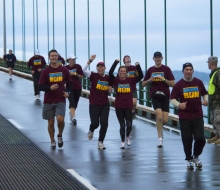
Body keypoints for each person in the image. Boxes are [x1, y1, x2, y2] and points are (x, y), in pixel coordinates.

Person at [170, 62, 208, 169]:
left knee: (200, 138)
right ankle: (189, 159)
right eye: (186, 69)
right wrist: (179, 105)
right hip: (185, 116)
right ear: (183, 71)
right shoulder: (178, 85)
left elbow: (205, 93)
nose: (188, 71)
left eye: (190, 69)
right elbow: (172, 99)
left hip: (197, 115)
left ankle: (196, 155)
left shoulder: (199, 82)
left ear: (193, 71)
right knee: (187, 139)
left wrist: (205, 100)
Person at [39, 49, 72, 149]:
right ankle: (52, 140)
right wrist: (50, 88)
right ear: (49, 58)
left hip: (60, 99)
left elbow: (70, 83)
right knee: (50, 122)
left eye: (55, 56)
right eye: (52, 56)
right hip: (48, 100)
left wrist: (68, 92)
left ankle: (60, 135)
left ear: (58, 57)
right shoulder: (45, 71)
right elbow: (40, 86)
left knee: (60, 119)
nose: (54, 57)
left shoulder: (64, 70)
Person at [142, 51, 175, 148]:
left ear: (162, 58)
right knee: (159, 117)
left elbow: (172, 84)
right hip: (155, 94)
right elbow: (143, 84)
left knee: (164, 120)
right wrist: (149, 80)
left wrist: (163, 79)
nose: (157, 59)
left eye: (159, 57)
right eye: (156, 57)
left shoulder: (166, 69)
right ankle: (160, 138)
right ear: (153, 59)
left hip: (165, 95)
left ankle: (159, 130)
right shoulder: (150, 70)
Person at [109, 59, 143, 149]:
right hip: (119, 106)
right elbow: (110, 72)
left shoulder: (131, 81)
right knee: (122, 125)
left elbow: (141, 76)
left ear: (126, 72)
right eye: (121, 71)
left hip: (128, 105)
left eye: (124, 71)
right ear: (119, 72)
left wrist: (138, 66)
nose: (122, 72)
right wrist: (116, 62)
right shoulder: (116, 80)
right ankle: (122, 141)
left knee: (129, 124)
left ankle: (128, 136)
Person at [82, 54, 112, 149]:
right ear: (96, 68)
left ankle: (100, 142)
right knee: (95, 123)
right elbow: (83, 70)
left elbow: (112, 88)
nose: (100, 69)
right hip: (94, 103)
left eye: (102, 67)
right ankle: (91, 129)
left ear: (104, 68)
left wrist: (111, 89)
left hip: (104, 104)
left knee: (104, 123)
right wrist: (90, 60)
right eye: (98, 67)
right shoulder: (93, 75)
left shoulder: (108, 78)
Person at [65, 54, 84, 125]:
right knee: (72, 101)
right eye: (71, 59)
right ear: (68, 60)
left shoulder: (78, 66)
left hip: (77, 87)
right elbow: (63, 77)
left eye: (74, 59)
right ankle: (74, 117)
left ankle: (71, 113)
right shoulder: (65, 68)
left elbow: (81, 76)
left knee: (75, 102)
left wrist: (75, 74)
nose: (73, 60)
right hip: (69, 87)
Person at [206, 56, 220, 145]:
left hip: (218, 102)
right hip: (213, 102)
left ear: (210, 63)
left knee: (218, 119)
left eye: (208, 63)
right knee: (213, 119)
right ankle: (217, 135)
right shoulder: (213, 73)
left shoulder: (217, 74)